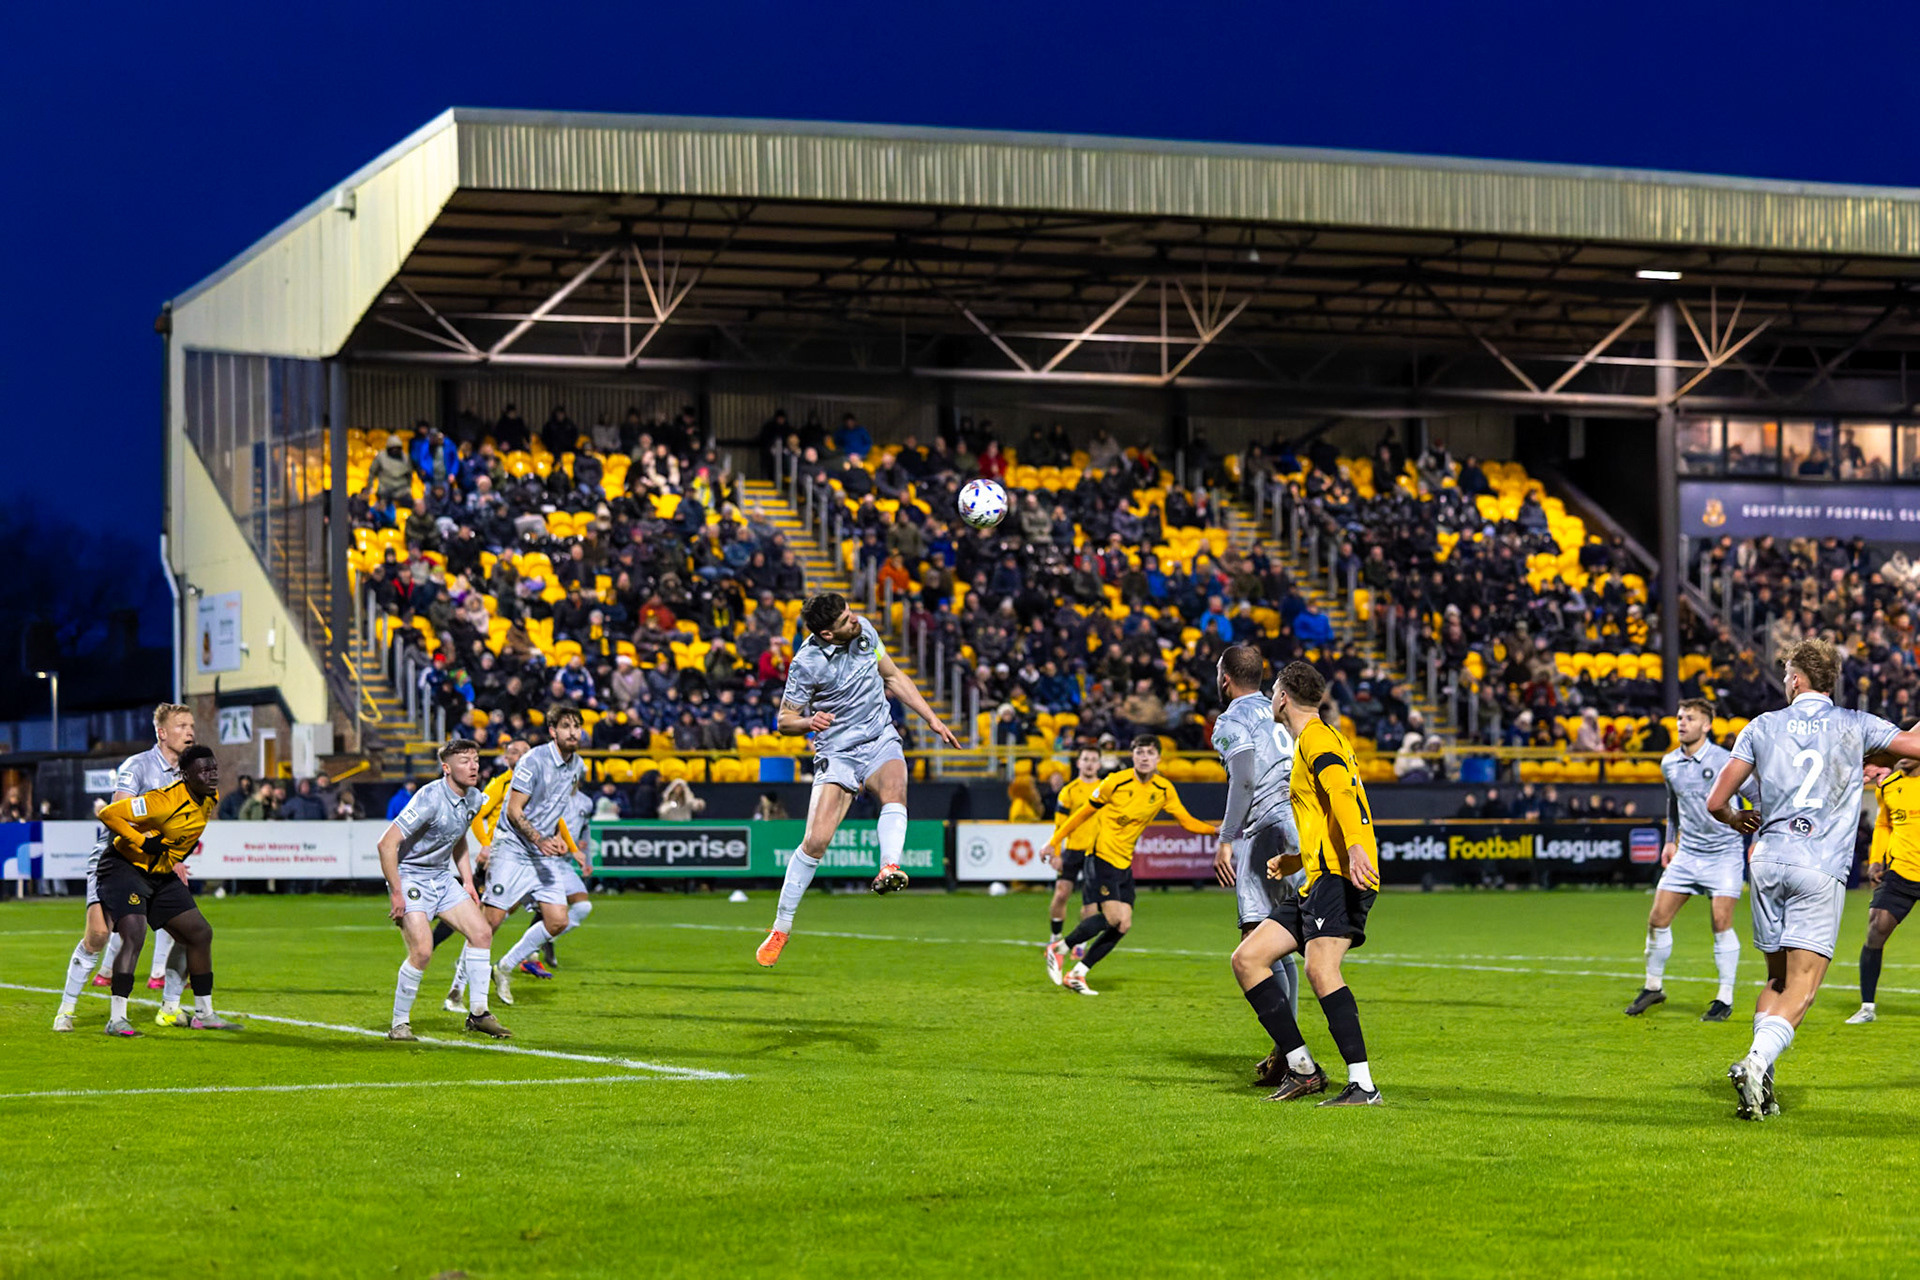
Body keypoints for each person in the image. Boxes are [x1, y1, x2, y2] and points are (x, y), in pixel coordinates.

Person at [1707, 639, 1920, 1120]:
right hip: (1818, 867)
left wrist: (1740, 819)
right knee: (1802, 989)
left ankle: (1762, 1086)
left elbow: (1716, 801)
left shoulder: (1761, 726)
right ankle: (1756, 1063)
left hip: (1766, 861)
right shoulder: (1855, 723)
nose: (1785, 682)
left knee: (1777, 978)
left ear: (1797, 679)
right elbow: (1915, 746)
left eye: (1786, 675)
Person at [756, 592, 961, 967]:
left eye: (851, 614)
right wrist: (807, 723)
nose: (856, 620)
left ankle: (890, 866)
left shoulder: (864, 631)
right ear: (827, 635)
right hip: (838, 751)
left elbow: (893, 676)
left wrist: (932, 719)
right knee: (816, 841)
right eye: (846, 621)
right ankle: (781, 926)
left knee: (896, 787)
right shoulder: (806, 663)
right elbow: (784, 719)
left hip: (879, 736)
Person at [1228, 661, 1383, 1106]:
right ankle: (1302, 1068)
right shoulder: (1321, 737)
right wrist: (1297, 858)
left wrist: (1355, 848)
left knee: (1320, 969)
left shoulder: (1315, 740)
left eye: (1274, 692)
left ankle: (1364, 1086)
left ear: (1281, 698)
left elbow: (1341, 793)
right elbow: (1327, 808)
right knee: (1248, 959)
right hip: (1319, 875)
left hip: (1340, 875)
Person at [53, 702, 196, 1031]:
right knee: (99, 935)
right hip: (112, 859)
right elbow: (119, 815)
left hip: (151, 864)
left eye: (191, 726)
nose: (189, 732)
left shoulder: (187, 776)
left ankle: (170, 1008)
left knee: (191, 930)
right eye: (181, 726)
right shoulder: (139, 766)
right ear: (162, 733)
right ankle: (66, 1010)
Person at [1039, 736, 1217, 995]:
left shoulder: (1164, 789)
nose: (1144, 757)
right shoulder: (1115, 782)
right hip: (1101, 857)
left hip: (1124, 863)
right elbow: (1082, 814)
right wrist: (1053, 842)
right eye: (1139, 752)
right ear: (1132, 756)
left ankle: (1078, 973)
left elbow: (1186, 821)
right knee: (1112, 917)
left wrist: (1216, 830)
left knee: (1123, 924)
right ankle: (1058, 949)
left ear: (1158, 758)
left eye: (1150, 753)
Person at [88, 746, 239, 1036]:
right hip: (124, 867)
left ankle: (200, 1012)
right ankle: (116, 1019)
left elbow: (188, 832)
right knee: (134, 933)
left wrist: (176, 858)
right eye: (204, 770)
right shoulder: (162, 801)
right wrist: (141, 841)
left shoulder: (211, 797)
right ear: (185, 775)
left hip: (159, 872)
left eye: (214, 768)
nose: (212, 775)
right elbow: (108, 814)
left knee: (198, 933)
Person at [1207, 644, 1305, 1087]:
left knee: (1255, 945)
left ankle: (1292, 1054)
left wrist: (1226, 839)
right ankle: (1286, 1051)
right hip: (1297, 825)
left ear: (1225, 678)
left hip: (1264, 829)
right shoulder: (1278, 711)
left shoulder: (1231, 720)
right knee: (1281, 939)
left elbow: (1245, 777)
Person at [1623, 699, 1754, 1022]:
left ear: (1707, 725)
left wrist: (1758, 838)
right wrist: (1670, 842)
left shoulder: (1727, 760)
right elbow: (1673, 804)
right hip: (1688, 853)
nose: (1682, 723)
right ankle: (1653, 987)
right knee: (1657, 919)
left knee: (1721, 921)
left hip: (1724, 853)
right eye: (1680, 717)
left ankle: (1724, 997)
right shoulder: (1669, 763)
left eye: (1690, 718)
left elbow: (1759, 794)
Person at [377, 739, 510, 1041]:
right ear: (446, 768)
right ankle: (399, 1024)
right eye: (464, 760)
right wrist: (396, 892)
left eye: (475, 759)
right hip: (410, 876)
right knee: (423, 951)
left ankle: (478, 1014)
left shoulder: (475, 798)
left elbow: (458, 838)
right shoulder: (429, 797)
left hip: (441, 876)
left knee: (482, 933)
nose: (473, 765)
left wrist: (467, 881)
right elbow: (386, 844)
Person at [473, 708, 591, 1006]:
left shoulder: (576, 765)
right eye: (566, 726)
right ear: (552, 731)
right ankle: (461, 989)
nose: (573, 732)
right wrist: (538, 839)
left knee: (558, 921)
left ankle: (504, 968)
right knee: (491, 922)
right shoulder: (534, 761)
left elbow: (555, 812)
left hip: (541, 852)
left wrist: (564, 843)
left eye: (577, 727)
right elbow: (513, 812)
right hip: (512, 848)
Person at [1850, 738, 1920, 1023]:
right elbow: (1883, 823)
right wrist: (1877, 857)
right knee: (1876, 927)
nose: (1903, 753)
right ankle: (1867, 1007)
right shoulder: (1888, 785)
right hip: (1901, 870)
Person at [1043, 748, 1104, 945]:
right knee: (1061, 894)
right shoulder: (1068, 791)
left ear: (1099, 765)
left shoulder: (1105, 789)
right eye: (1085, 759)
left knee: (1091, 901)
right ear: (1078, 763)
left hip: (1095, 853)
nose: (1089, 763)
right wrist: (1056, 854)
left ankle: (1081, 942)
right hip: (1072, 850)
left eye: (1093, 759)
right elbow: (1060, 825)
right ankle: (1055, 937)